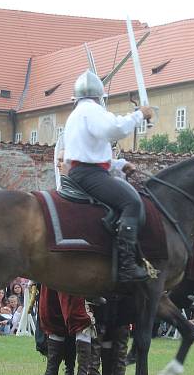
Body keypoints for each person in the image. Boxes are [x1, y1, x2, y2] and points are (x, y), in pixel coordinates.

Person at [62, 69, 154, 283]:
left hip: (82, 171)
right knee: (132, 202)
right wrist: (140, 114)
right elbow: (115, 129)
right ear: (99, 97)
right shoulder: (92, 110)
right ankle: (127, 266)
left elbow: (88, 154)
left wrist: (119, 164)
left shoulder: (75, 114)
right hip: (89, 174)